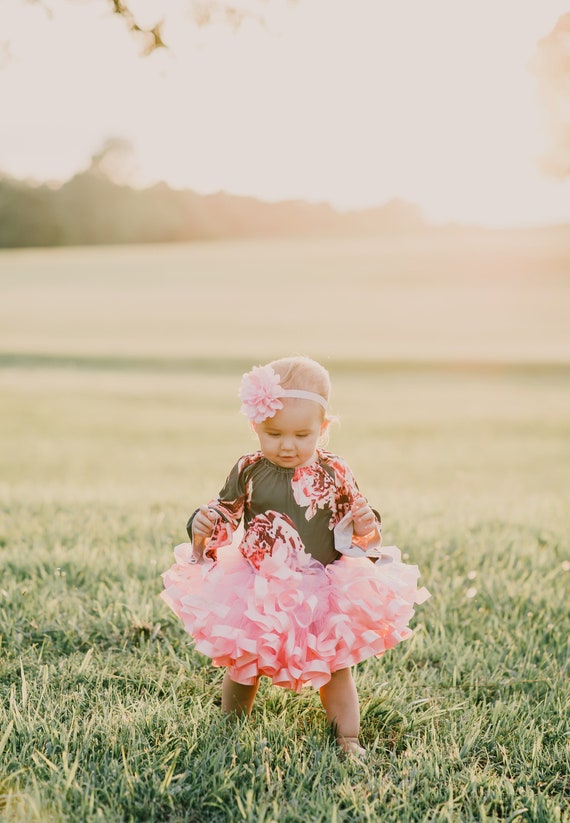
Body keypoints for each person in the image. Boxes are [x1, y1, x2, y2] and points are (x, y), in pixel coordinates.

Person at [161, 356, 429, 757]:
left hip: (322, 583)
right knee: (243, 664)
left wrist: (363, 522)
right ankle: (230, 729)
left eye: (303, 435)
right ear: (255, 426)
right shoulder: (249, 468)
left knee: (335, 668)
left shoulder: (335, 471)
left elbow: (359, 527)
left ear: (323, 429)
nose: (288, 445)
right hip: (257, 583)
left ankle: (348, 739)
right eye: (274, 433)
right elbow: (227, 512)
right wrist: (206, 522)